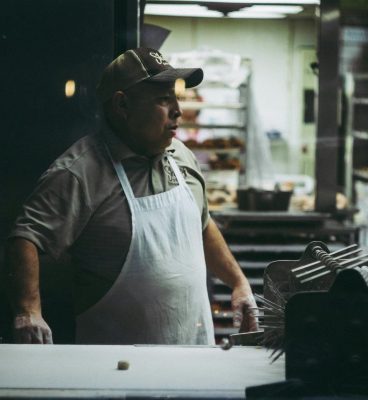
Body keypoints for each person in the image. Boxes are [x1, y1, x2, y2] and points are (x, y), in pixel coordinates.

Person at [5, 47, 258, 345]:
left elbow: (202, 225)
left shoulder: (182, 157)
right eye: (163, 100)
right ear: (122, 105)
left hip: (192, 349)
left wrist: (238, 282)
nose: (178, 110)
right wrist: (28, 312)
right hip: (113, 363)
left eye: (175, 97)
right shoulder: (81, 171)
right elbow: (26, 237)